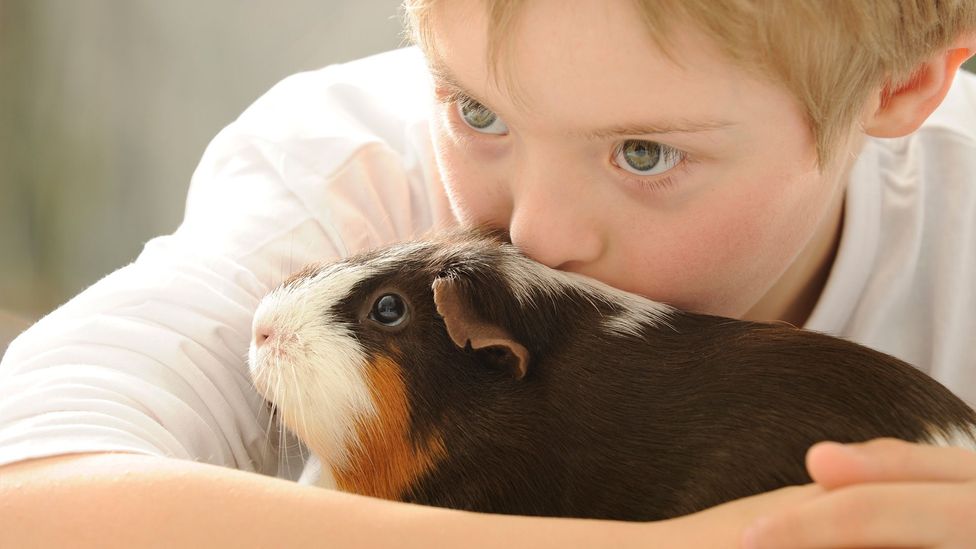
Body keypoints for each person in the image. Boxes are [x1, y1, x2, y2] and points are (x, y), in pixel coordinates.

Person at [2, 0, 975, 547]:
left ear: (897, 87)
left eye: (643, 153)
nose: (536, 232)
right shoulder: (351, 180)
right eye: (476, 114)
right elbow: (28, 493)